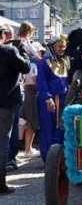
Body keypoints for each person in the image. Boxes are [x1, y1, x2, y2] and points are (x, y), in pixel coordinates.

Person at [0, 24, 30, 195]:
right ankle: (1, 181)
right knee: (3, 142)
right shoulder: (9, 51)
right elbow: (25, 67)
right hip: (6, 103)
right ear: (3, 34)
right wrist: (23, 50)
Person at [36, 36, 69, 164]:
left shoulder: (64, 61)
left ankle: (60, 158)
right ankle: (49, 159)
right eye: (59, 46)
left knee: (61, 128)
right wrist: (47, 98)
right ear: (53, 47)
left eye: (64, 46)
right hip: (49, 99)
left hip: (63, 99)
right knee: (48, 129)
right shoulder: (45, 62)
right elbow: (41, 82)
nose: (62, 49)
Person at [20, 41, 46, 158]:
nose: (40, 53)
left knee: (29, 121)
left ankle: (28, 148)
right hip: (32, 93)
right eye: (39, 51)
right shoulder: (33, 65)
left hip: (28, 91)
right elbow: (36, 80)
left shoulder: (28, 63)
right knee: (31, 122)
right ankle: (28, 149)